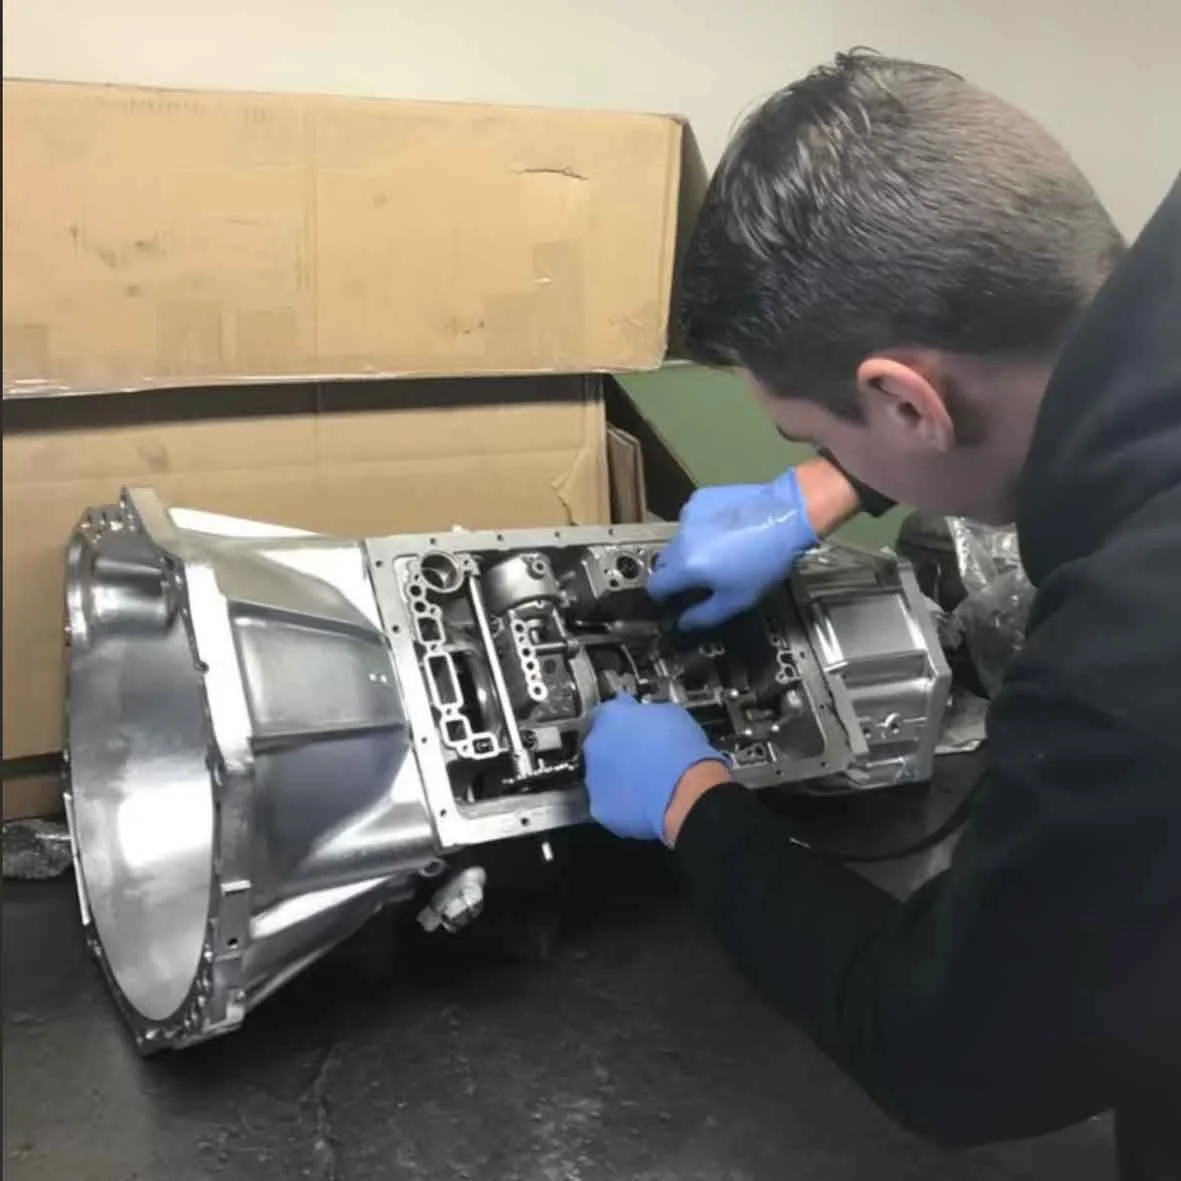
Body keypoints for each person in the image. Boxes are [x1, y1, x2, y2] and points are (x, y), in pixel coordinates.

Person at [582, 51, 1181, 1177]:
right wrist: (841, 481)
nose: (812, 462)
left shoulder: (1125, 672)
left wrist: (692, 805)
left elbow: (952, 1051)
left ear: (906, 399)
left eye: (807, 437)